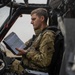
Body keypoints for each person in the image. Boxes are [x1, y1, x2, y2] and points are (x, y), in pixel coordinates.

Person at [10, 8, 55, 75]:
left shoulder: (48, 35)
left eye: (33, 19)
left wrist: (26, 53)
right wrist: (20, 50)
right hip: (27, 68)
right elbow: (27, 46)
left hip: (34, 72)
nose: (31, 22)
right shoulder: (39, 35)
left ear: (42, 18)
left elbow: (44, 61)